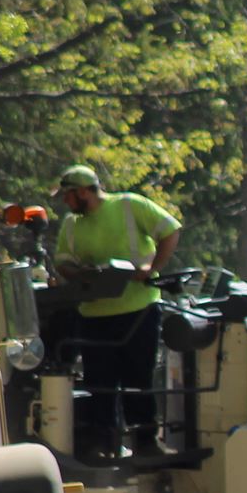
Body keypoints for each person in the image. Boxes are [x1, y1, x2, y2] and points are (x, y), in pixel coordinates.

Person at [44, 163, 182, 457]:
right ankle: (102, 442)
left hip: (139, 308)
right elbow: (63, 262)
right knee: (99, 380)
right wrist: (82, 274)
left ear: (84, 191)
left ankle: (145, 441)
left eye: (68, 196)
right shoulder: (72, 224)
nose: (66, 203)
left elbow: (170, 230)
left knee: (138, 376)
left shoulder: (130, 205)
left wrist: (152, 269)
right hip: (95, 314)